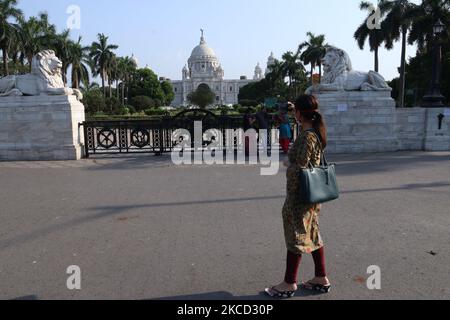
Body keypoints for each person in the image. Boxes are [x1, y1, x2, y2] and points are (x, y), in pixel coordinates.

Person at [265, 95, 331, 298]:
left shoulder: (306, 135)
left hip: (299, 195)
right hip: (312, 194)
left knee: (295, 234)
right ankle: (321, 277)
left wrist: (287, 164)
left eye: (295, 112)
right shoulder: (315, 132)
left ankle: (289, 282)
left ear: (300, 114)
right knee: (312, 233)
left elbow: (301, 165)